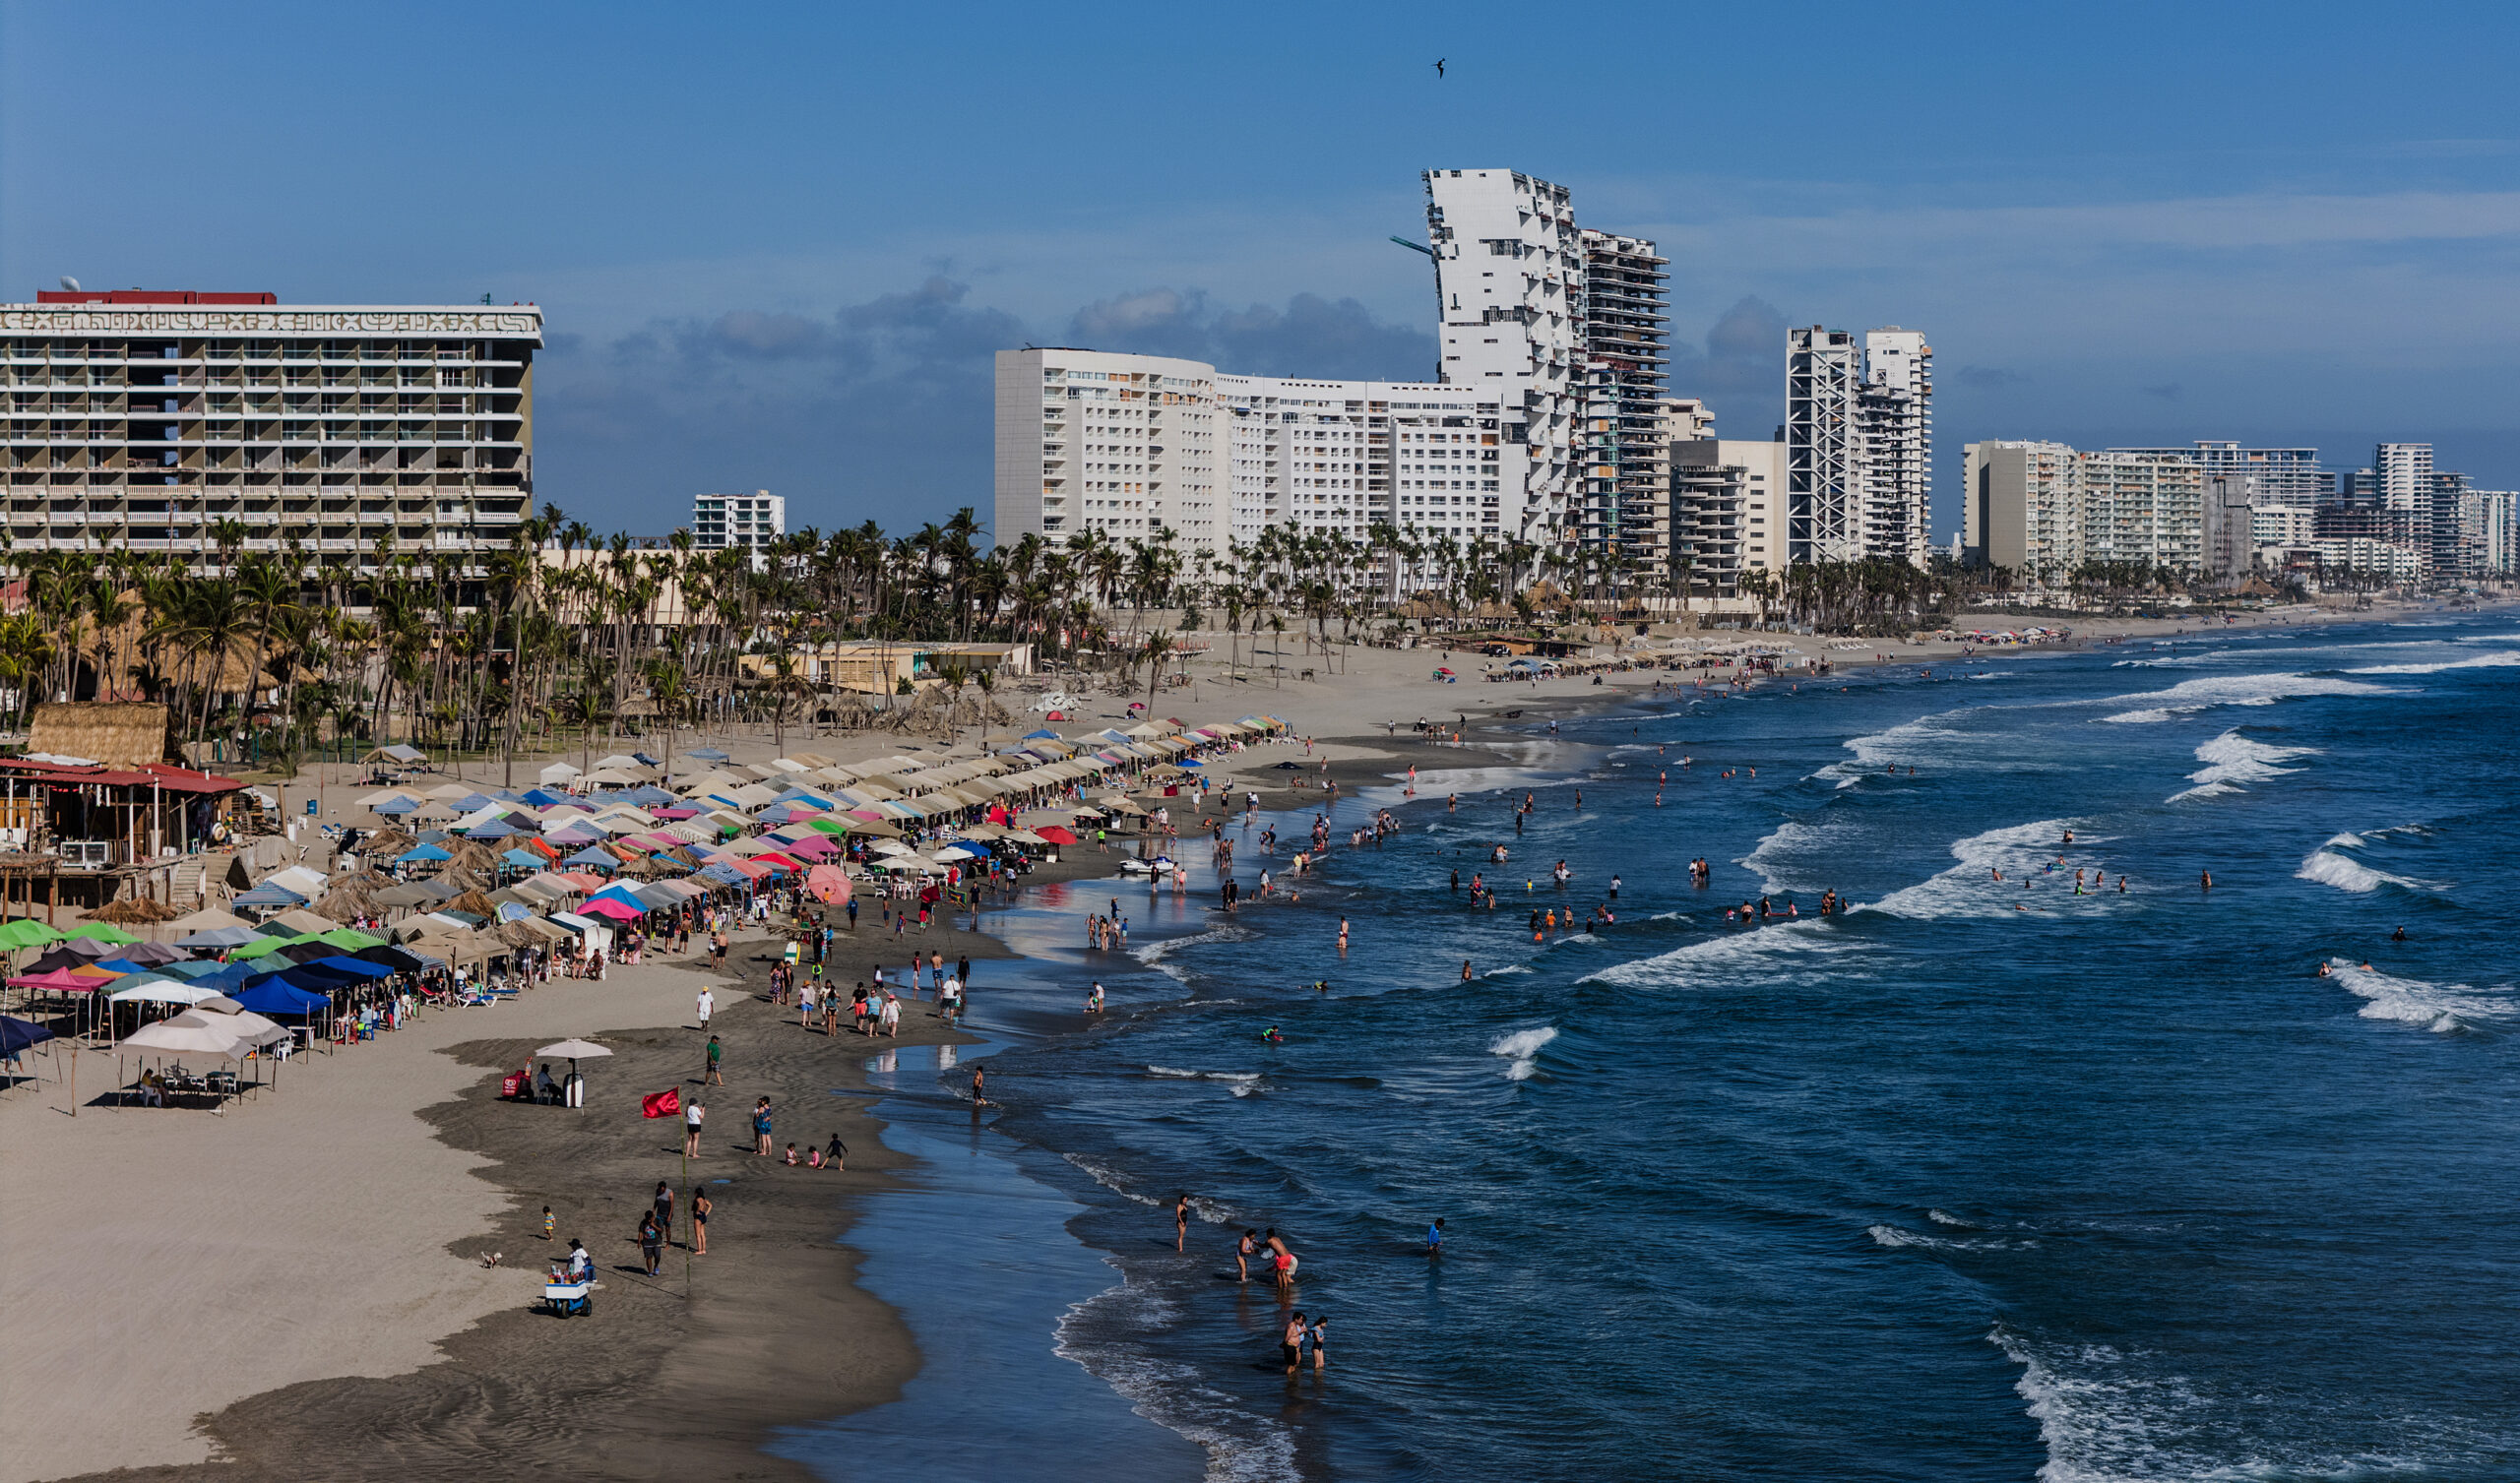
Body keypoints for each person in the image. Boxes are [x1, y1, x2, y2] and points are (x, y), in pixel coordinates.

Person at [637, 1210, 663, 1276]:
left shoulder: (658, 1221)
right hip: (647, 1243)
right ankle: (650, 1271)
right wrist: (639, 1242)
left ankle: (656, 1266)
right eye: (647, 1219)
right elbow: (640, 1232)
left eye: (650, 1219)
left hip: (657, 1242)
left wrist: (653, 1226)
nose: (649, 1221)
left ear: (653, 1216)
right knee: (648, 1257)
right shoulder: (643, 1222)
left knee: (657, 1256)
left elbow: (661, 1230)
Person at [1283, 1311, 1307, 1375]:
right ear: (1296, 1319)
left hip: (1294, 1347)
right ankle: (1289, 1379)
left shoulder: (1295, 1325)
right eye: (1301, 1319)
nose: (1302, 1320)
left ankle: (1292, 1378)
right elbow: (1287, 1337)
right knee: (1291, 1365)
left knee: (1293, 1364)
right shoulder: (1291, 1326)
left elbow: (1294, 1335)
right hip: (1290, 1347)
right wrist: (1284, 1346)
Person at [690, 1188, 712, 1255]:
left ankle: (699, 1250)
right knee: (702, 1234)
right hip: (703, 1216)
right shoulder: (704, 1200)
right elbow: (710, 1205)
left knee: (698, 1235)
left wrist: (697, 1211)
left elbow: (700, 1204)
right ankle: (703, 1250)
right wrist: (706, 1213)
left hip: (698, 1217)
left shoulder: (698, 1199)